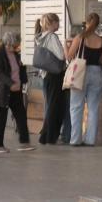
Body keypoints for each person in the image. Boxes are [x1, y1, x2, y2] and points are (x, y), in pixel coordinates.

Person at [0, 32, 35, 153]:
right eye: (14, 45)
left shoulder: (14, 54)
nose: (16, 48)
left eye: (16, 46)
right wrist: (11, 83)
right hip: (2, 91)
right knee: (1, 117)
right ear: (7, 44)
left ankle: (24, 142)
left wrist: (22, 80)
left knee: (21, 115)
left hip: (16, 91)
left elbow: (18, 69)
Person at [67, 12, 102, 147]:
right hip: (96, 73)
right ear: (97, 25)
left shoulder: (80, 37)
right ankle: (90, 140)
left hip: (80, 72)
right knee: (94, 108)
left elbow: (69, 56)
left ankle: (75, 140)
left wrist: (64, 47)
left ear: (86, 22)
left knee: (76, 107)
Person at [34, 13, 69, 145]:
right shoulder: (52, 37)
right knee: (55, 106)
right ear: (52, 23)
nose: (59, 24)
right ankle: (48, 136)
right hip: (55, 75)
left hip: (46, 75)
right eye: (57, 22)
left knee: (50, 105)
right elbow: (61, 55)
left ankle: (46, 135)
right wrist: (66, 47)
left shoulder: (40, 37)